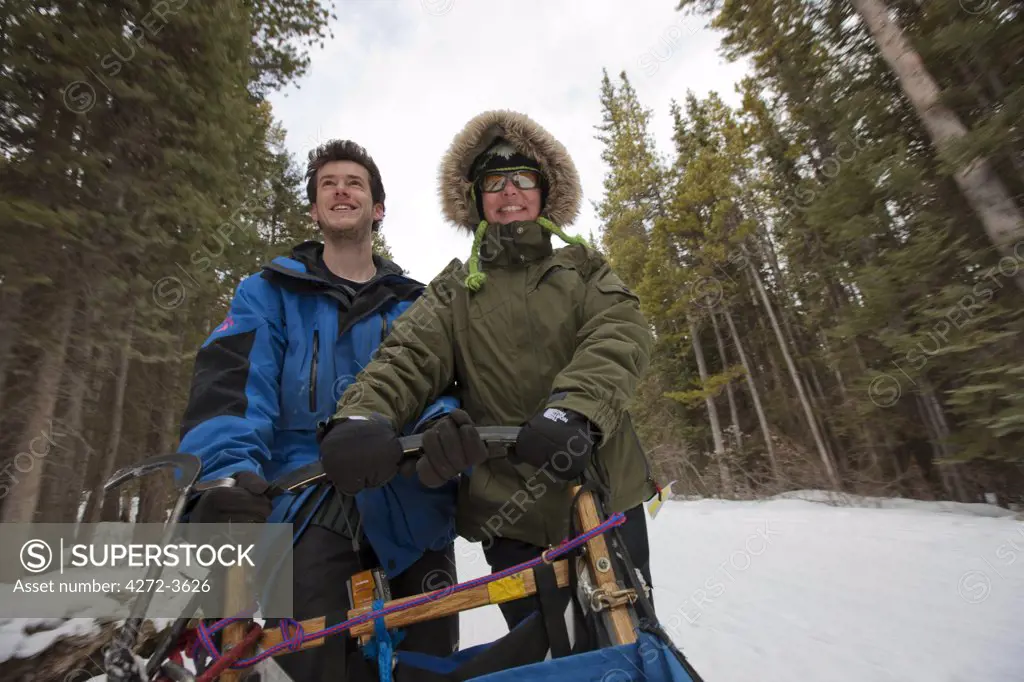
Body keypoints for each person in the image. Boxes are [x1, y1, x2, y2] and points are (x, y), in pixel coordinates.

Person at [317, 110, 658, 633]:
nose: (510, 191)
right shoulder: (454, 291)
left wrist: (574, 413)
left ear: (545, 192)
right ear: (477, 200)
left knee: (626, 636)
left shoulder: (584, 269)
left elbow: (619, 335)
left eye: (523, 179)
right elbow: (407, 358)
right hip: (509, 513)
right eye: (494, 183)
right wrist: (362, 418)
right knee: (543, 653)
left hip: (601, 492)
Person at [179, 139, 461, 681]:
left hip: (409, 501)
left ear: (378, 208)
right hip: (304, 504)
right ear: (313, 210)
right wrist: (226, 472)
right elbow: (235, 387)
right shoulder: (266, 293)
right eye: (327, 183)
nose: (341, 189)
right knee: (315, 661)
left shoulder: (417, 304)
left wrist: (439, 427)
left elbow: (441, 384)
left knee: (432, 662)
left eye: (355, 182)